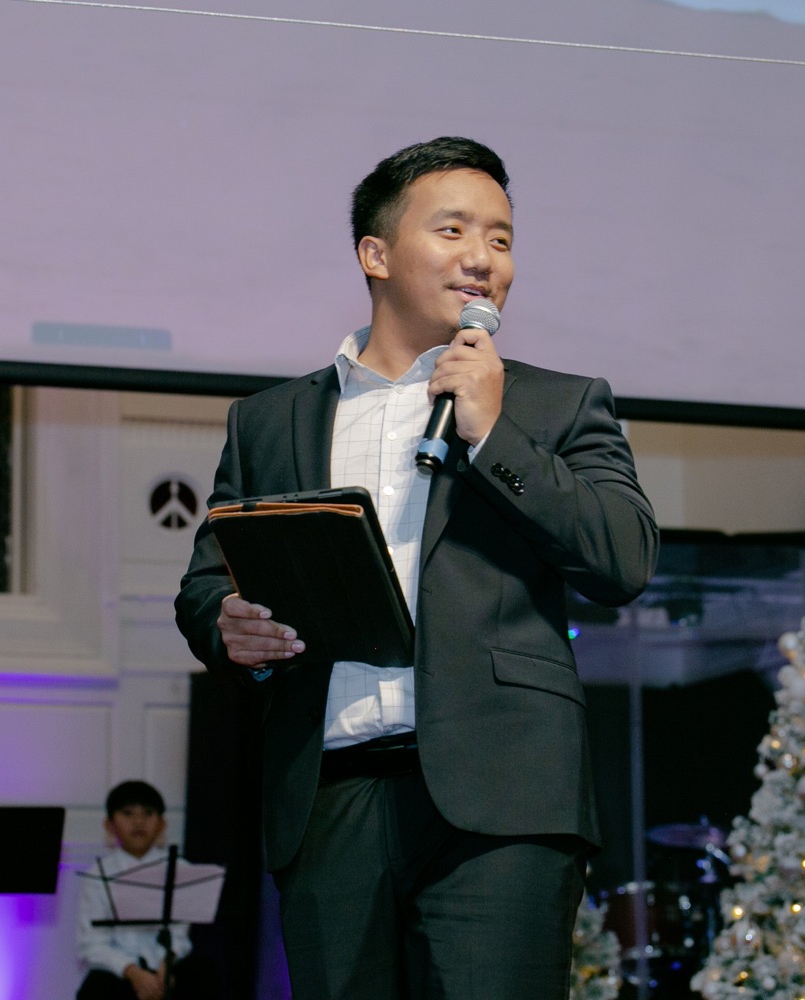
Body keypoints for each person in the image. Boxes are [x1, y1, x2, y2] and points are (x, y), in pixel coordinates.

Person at [175, 136, 658, 999]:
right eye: (453, 230)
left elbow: (622, 557)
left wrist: (494, 434)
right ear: (377, 254)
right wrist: (225, 624)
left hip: (504, 800)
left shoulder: (557, 403)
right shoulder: (269, 421)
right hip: (329, 795)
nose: (483, 259)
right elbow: (209, 579)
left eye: (502, 239)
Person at [76, 780, 217, 1000]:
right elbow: (93, 944)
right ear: (110, 825)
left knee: (204, 973)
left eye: (148, 813)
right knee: (95, 990)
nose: (138, 822)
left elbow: (179, 934)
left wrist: (165, 969)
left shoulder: (179, 869)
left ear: (161, 824)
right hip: (121, 971)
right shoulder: (98, 874)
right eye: (128, 813)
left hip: (167, 966)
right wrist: (134, 973)